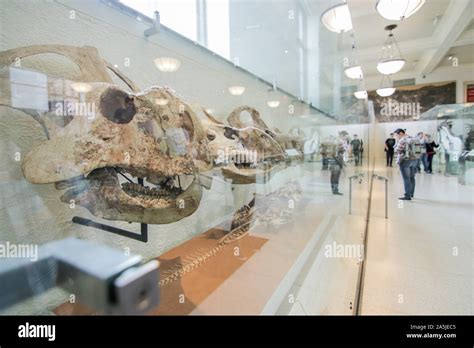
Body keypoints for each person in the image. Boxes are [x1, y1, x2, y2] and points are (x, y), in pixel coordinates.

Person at [394, 129, 418, 200]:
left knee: (406, 179)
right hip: (414, 160)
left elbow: (397, 150)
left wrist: (397, 142)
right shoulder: (413, 138)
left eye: (396, 135)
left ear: (401, 133)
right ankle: (411, 193)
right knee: (412, 178)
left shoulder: (402, 140)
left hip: (405, 161)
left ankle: (407, 196)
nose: (396, 136)